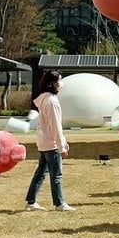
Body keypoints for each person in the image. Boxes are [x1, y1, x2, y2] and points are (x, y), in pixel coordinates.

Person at [24, 69, 75, 212]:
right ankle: (59, 203)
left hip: (43, 142)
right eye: (59, 80)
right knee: (56, 174)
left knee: (41, 173)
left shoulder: (44, 99)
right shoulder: (52, 101)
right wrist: (61, 146)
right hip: (50, 143)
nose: (61, 83)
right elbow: (56, 126)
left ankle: (31, 201)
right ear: (53, 83)